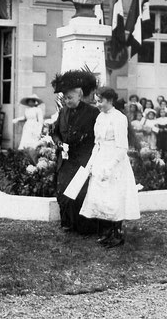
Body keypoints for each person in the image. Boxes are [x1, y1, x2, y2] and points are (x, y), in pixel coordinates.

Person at [80, 88, 140, 248]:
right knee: (101, 197)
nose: (97, 104)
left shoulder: (119, 118)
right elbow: (97, 143)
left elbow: (122, 147)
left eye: (100, 101)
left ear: (110, 100)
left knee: (115, 198)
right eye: (96, 101)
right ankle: (106, 233)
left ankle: (117, 235)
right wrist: (92, 163)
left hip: (115, 161)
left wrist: (110, 167)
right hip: (101, 158)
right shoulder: (100, 117)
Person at [51, 71, 99, 234]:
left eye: (70, 97)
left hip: (82, 160)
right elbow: (55, 132)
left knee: (80, 193)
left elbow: (96, 137)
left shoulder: (92, 113)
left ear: (79, 96)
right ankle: (67, 223)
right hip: (65, 160)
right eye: (65, 98)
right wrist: (58, 143)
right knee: (63, 190)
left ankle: (82, 226)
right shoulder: (63, 112)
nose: (66, 100)